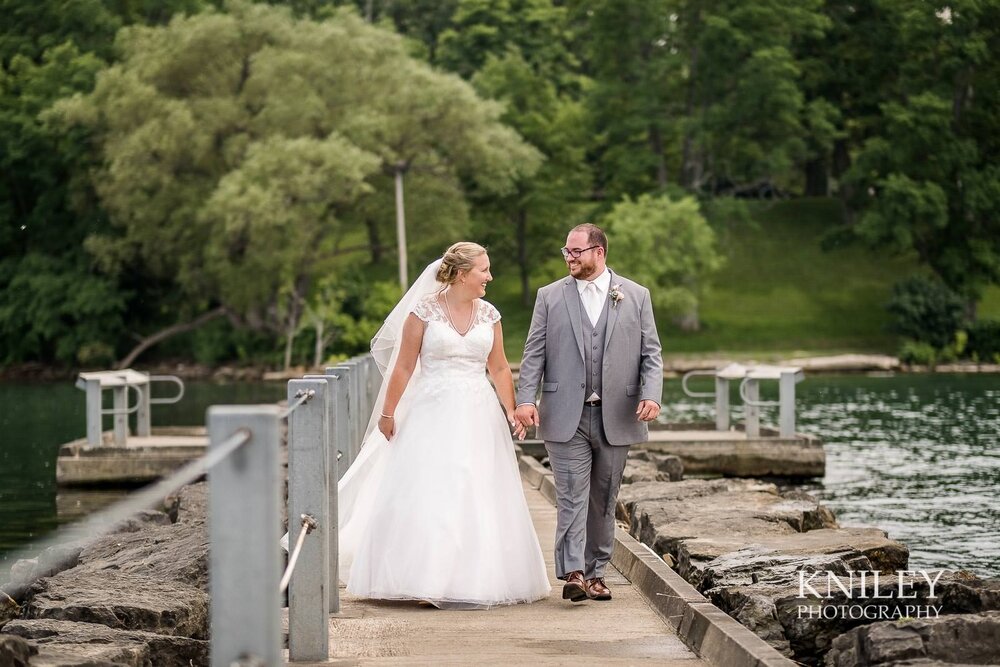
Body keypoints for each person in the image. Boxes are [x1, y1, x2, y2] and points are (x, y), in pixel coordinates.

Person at [335, 242, 551, 609]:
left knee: (474, 487)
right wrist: (387, 414)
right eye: (484, 270)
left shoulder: (490, 315)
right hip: (430, 410)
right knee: (432, 487)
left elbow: (498, 368)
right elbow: (402, 367)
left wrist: (513, 409)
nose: (490, 276)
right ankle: (424, 578)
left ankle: (469, 577)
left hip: (478, 412)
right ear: (463, 273)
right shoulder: (423, 313)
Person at [515, 224, 663, 603]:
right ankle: (574, 573)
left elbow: (651, 354)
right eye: (566, 251)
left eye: (576, 251)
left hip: (618, 414)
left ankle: (597, 573)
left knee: (604, 497)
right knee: (571, 496)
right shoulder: (549, 296)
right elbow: (533, 353)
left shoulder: (635, 295)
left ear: (599, 252)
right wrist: (526, 400)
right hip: (566, 414)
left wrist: (652, 395)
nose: (569, 257)